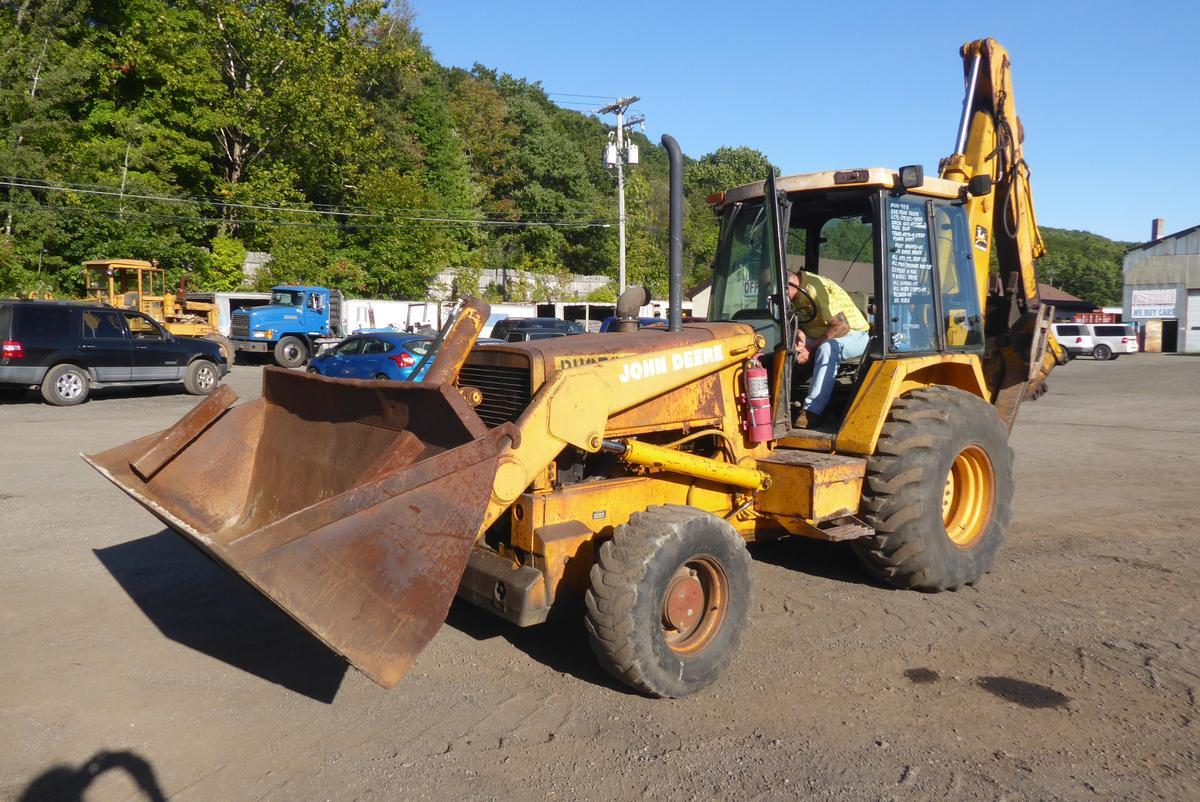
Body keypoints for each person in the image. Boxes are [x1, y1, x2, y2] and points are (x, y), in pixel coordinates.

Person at [787, 268, 870, 429]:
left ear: (789, 284)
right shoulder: (793, 293)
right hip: (818, 335)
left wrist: (810, 348)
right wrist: (798, 333)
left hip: (854, 334)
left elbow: (841, 327)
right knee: (785, 343)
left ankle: (812, 411)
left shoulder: (814, 289)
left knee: (827, 348)